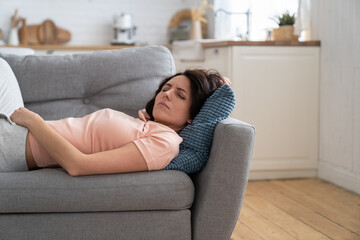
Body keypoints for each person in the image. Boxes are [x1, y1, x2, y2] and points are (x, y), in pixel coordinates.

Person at [1, 58, 230, 176]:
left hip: (14, 146)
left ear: (193, 115)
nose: (167, 94)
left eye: (179, 95)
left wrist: (34, 121)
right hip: (17, 131)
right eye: (165, 88)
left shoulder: (165, 144)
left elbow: (78, 166)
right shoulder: (147, 126)